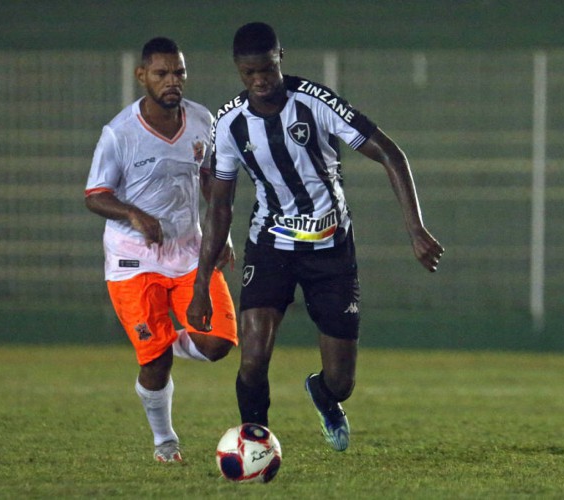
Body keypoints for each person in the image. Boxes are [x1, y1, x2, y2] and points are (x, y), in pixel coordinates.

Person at [187, 22, 444, 452]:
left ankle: (323, 394)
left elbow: (389, 152)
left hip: (330, 249)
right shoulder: (230, 122)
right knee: (253, 356)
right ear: (238, 70)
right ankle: (255, 444)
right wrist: (200, 287)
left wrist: (415, 229)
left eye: (266, 69)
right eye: (249, 73)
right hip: (270, 245)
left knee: (343, 380)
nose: (260, 80)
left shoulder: (315, 102)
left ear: (280, 57)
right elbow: (219, 205)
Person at [85, 37, 238, 463]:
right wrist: (134, 214)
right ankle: (164, 441)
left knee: (218, 343)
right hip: (135, 259)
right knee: (154, 364)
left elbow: (210, 178)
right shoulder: (120, 133)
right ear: (142, 76)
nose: (173, 81)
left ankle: (161, 340)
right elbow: (95, 194)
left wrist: (219, 231)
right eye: (162, 73)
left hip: (190, 252)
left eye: (179, 73)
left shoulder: (202, 120)